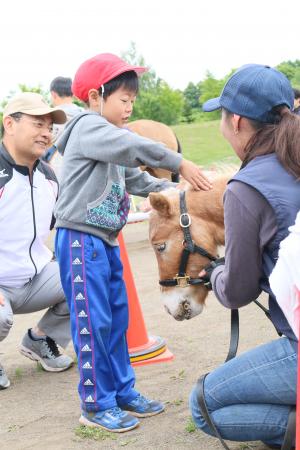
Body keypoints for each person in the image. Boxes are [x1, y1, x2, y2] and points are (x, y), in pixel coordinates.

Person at [54, 52, 212, 433]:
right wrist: (179, 162)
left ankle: (122, 391)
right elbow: (136, 148)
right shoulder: (88, 127)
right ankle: (95, 404)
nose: (129, 108)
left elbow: (137, 179)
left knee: (117, 321)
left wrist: (177, 190)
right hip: (79, 239)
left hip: (105, 240)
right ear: (95, 97)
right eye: (123, 100)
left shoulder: (107, 138)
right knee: (93, 323)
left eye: (132, 102)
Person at [189, 64, 300, 448]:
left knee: (202, 406)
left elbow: (237, 291)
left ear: (235, 121)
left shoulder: (246, 186)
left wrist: (217, 272)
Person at [0, 92, 74, 391]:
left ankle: (41, 339)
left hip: (34, 277)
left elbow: (56, 227)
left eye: (50, 127)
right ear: (10, 124)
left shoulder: (50, 178)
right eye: (37, 124)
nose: (46, 133)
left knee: (88, 279)